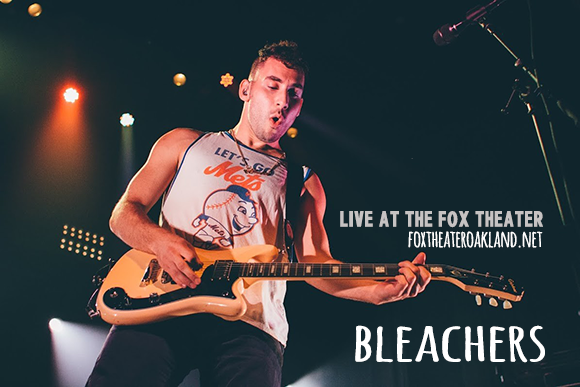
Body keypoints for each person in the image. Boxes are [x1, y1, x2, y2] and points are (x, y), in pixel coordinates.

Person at [86, 40, 431, 387]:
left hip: (250, 324)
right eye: (273, 85)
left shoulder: (303, 180)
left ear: (299, 107)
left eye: (294, 93)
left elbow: (316, 263)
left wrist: (374, 292)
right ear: (246, 90)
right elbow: (124, 213)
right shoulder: (184, 143)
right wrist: (159, 241)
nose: (283, 100)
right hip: (160, 301)